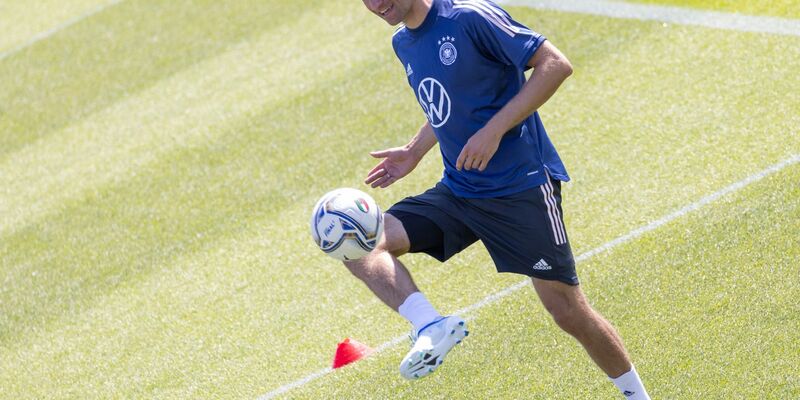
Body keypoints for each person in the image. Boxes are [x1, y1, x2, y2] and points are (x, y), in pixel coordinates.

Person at [352, 0, 650, 398]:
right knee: (359, 241)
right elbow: (453, 98)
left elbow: (555, 65)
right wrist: (414, 151)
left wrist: (493, 131)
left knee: (566, 310)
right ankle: (431, 326)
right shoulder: (403, 42)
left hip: (519, 188)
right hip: (460, 190)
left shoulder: (469, 17)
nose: (376, 4)